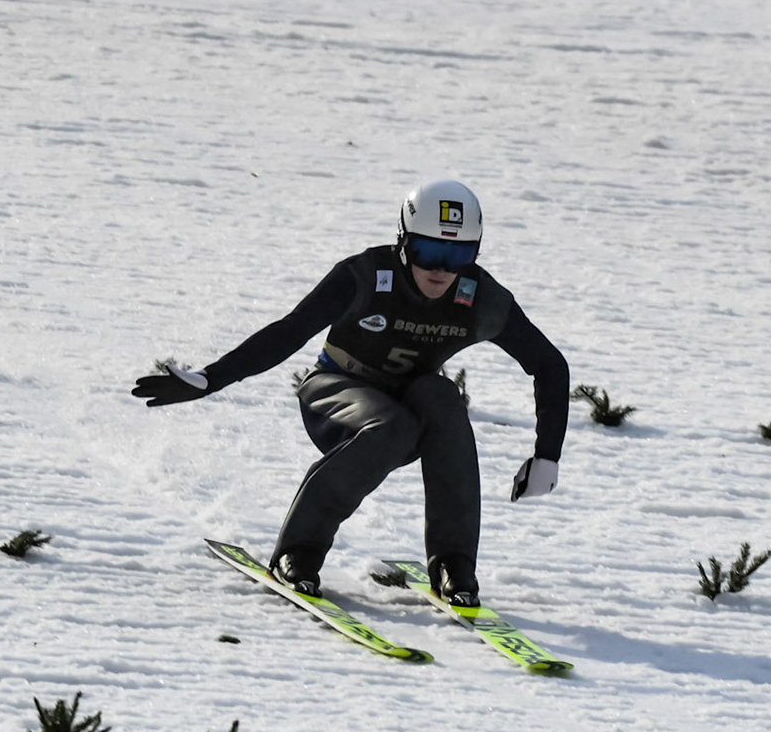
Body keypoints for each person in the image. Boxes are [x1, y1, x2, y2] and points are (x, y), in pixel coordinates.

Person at [132, 179, 568, 606]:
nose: (440, 270)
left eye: (457, 256)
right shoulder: (365, 276)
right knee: (391, 426)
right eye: (428, 252)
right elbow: (290, 331)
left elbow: (549, 364)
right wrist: (212, 378)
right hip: (335, 394)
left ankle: (453, 564)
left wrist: (547, 454)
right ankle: (298, 551)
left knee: (442, 398)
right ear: (403, 243)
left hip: (408, 409)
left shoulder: (480, 296)